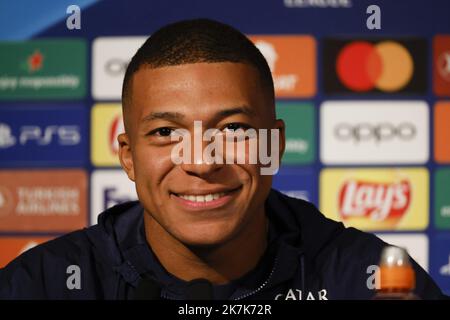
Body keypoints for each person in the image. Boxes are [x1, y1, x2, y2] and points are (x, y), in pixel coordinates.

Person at [0, 18, 446, 300]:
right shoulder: (42, 285)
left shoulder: (369, 280)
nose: (201, 161)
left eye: (233, 130)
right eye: (165, 133)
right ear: (129, 157)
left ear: (275, 145)